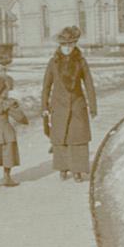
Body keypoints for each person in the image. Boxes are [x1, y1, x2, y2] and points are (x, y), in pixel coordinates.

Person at [42, 26, 98, 183]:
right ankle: (63, 168)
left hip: (77, 106)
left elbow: (89, 84)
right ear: (59, 45)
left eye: (70, 44)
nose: (67, 48)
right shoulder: (53, 62)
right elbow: (46, 86)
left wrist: (93, 107)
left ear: (75, 45)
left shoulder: (81, 61)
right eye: (64, 45)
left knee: (78, 138)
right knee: (61, 137)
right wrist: (44, 107)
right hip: (58, 106)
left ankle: (78, 170)